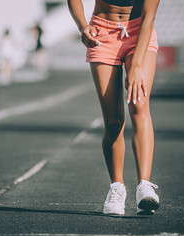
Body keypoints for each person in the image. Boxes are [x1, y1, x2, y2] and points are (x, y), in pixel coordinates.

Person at [68, 0, 160, 215]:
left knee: (139, 105)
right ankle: (117, 187)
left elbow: (149, 18)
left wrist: (136, 66)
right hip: (101, 34)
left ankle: (144, 185)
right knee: (113, 119)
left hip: (139, 32)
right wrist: (82, 26)